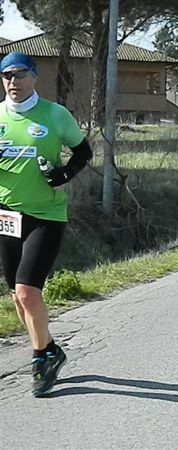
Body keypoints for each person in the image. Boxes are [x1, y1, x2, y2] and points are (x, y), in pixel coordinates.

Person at [0, 52, 93, 396]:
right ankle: (51, 348)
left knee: (28, 290)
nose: (14, 82)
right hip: (7, 215)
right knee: (16, 297)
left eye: (20, 75)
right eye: (7, 76)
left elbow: (83, 152)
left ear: (35, 77)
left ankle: (40, 357)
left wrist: (63, 173)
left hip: (46, 215)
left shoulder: (55, 115)